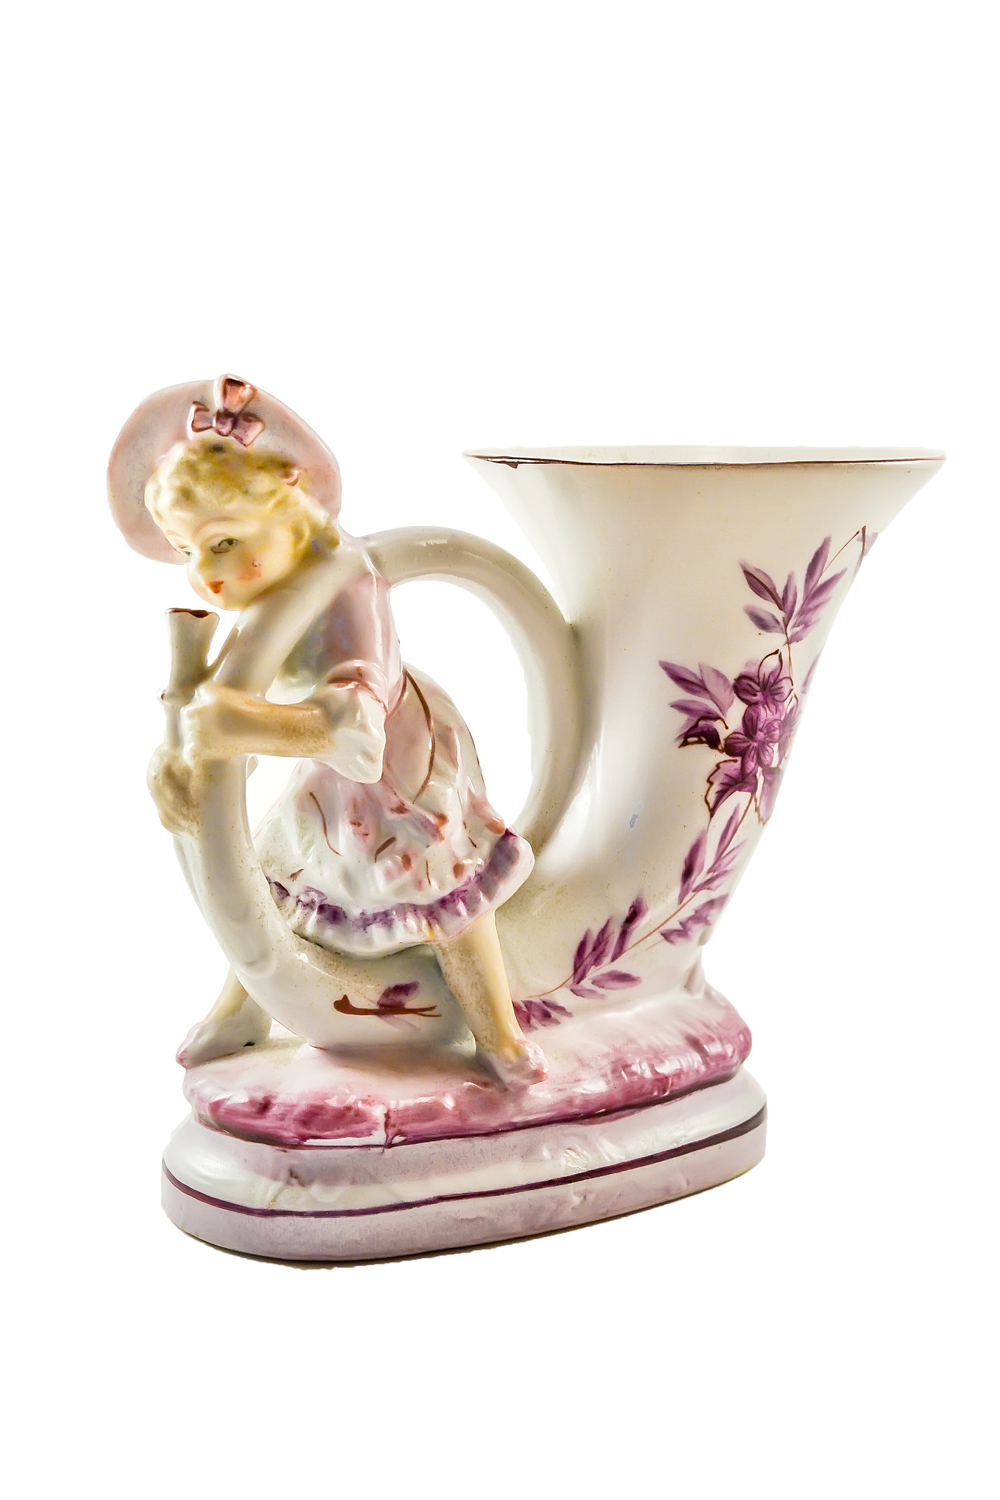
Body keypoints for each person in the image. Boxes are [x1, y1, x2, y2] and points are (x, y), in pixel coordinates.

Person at [109, 376, 545, 1086]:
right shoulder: (274, 584)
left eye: (223, 542)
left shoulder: (345, 586)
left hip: (398, 771)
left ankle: (500, 1036)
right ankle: (245, 1010)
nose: (205, 576)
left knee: (450, 897)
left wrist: (235, 722)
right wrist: (188, 737)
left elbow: (359, 738)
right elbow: (230, 701)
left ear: (290, 501)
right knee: (281, 882)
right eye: (188, 552)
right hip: (324, 773)